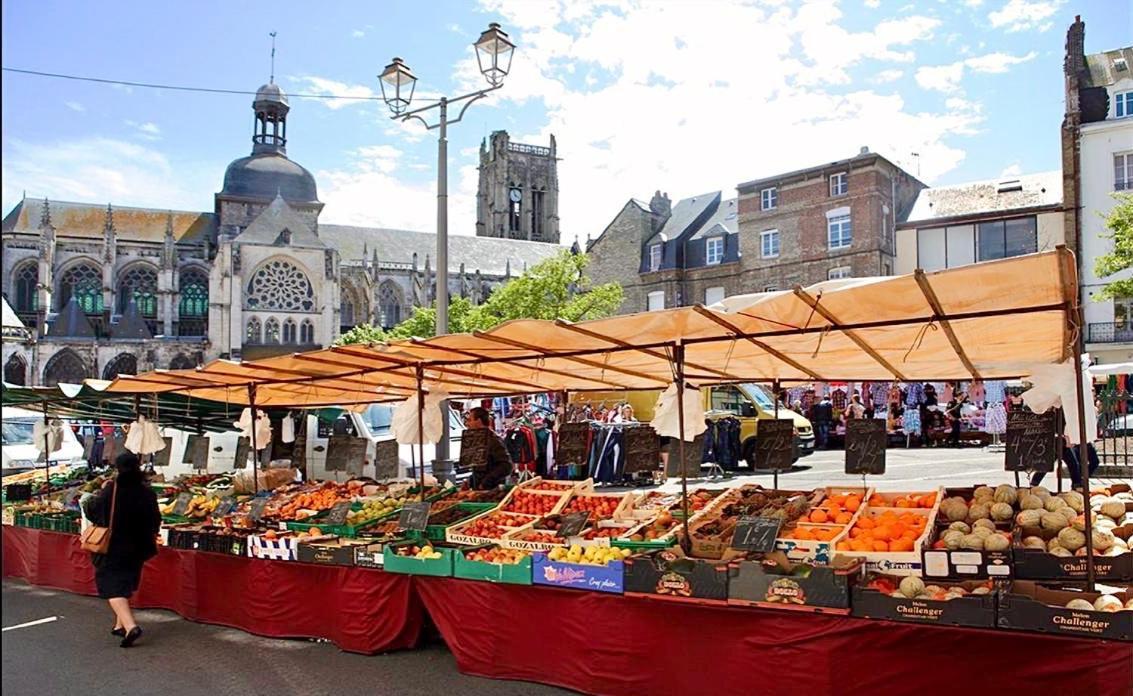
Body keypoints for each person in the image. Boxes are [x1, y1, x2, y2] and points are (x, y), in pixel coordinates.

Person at [85, 452, 161, 648]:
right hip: (139, 546)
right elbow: (156, 520)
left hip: (114, 545)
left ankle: (130, 626)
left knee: (112, 586)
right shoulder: (147, 492)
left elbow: (92, 510)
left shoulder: (112, 490)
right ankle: (119, 625)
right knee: (125, 582)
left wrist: (94, 496)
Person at [464, 407, 513, 489]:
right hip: (479, 491)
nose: (467, 423)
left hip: (493, 492)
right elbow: (479, 469)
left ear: (478, 421)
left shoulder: (494, 440)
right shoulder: (478, 439)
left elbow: (506, 466)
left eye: (469, 420)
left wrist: (486, 482)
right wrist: (470, 481)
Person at [1031, 437, 1099, 490]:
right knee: (1072, 463)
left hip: (1073, 437)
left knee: (1075, 464)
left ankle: (1078, 483)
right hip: (1063, 438)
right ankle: (1077, 484)